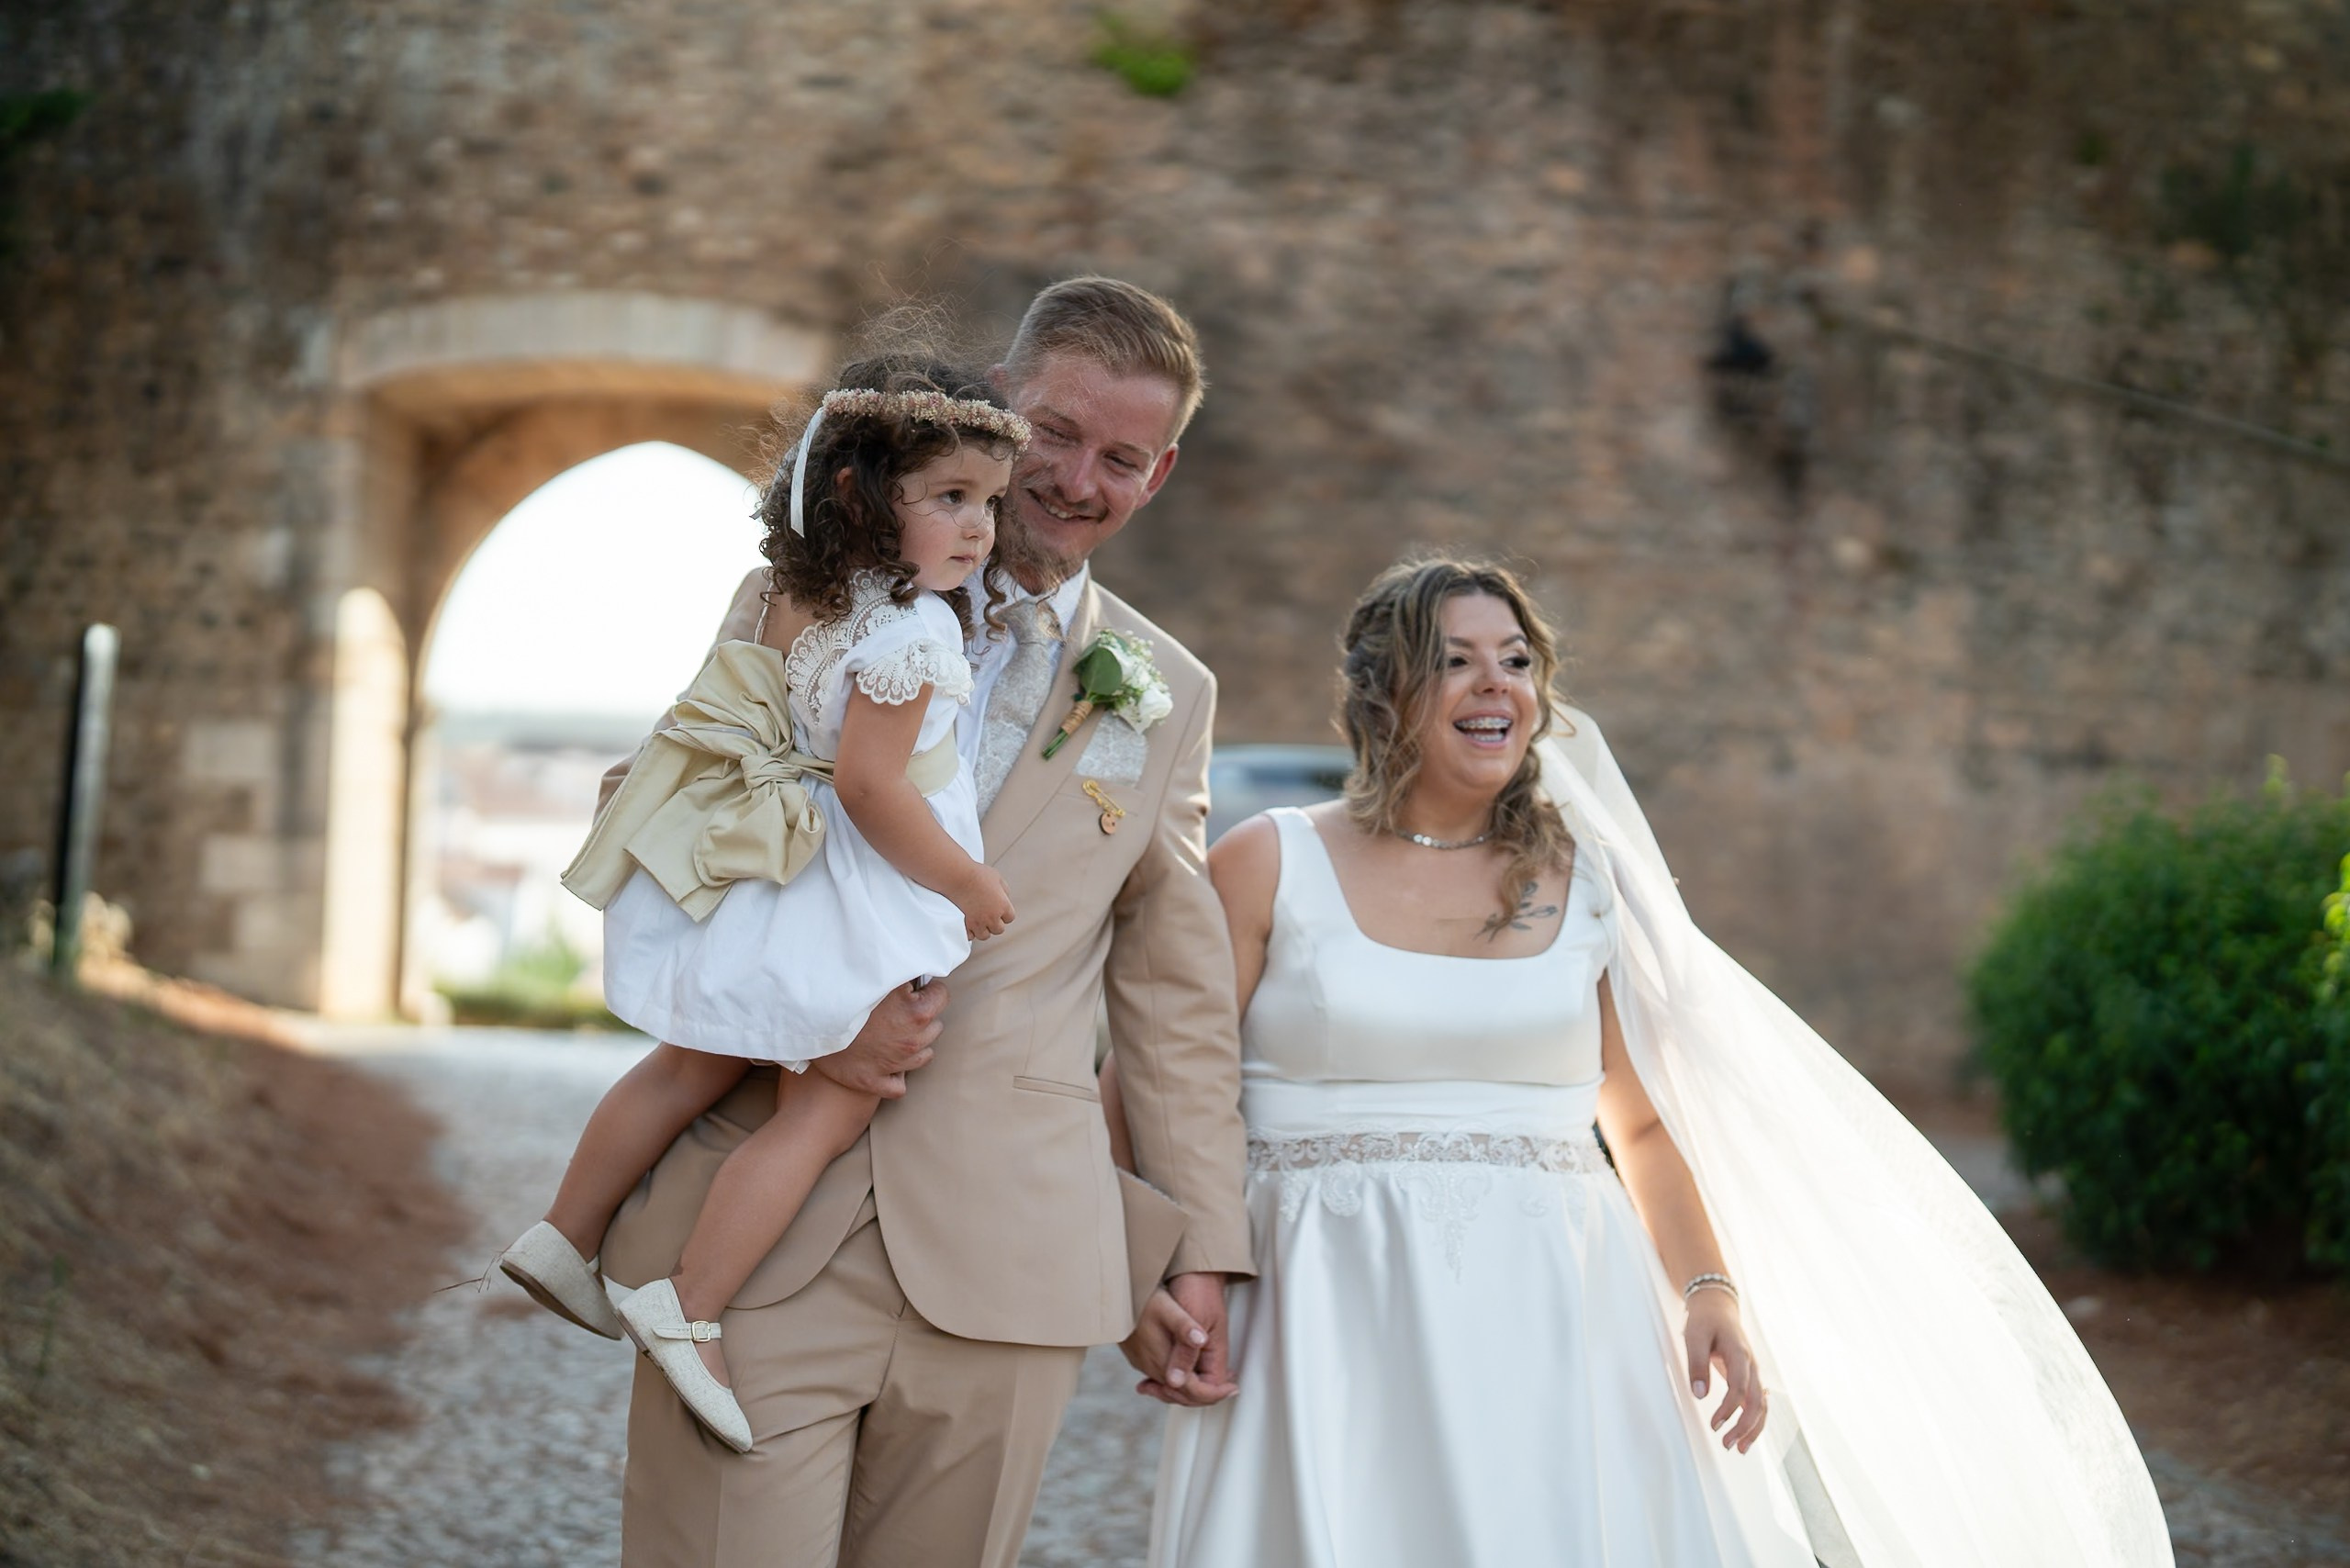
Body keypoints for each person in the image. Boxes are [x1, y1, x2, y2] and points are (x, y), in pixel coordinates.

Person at [1130, 556, 2175, 1568]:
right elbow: (1156, 1083)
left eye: (1516, 660)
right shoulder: (1268, 861)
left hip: (1557, 1304)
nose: (1495, 684)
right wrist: (1162, 1272)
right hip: (1317, 1297)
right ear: (1381, 690)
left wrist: (1711, 1292)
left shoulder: (1589, 881)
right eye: (1454, 660)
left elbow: (1637, 1122)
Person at [591, 278, 1253, 1568]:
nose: (1076, 480)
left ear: (1159, 473)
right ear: (998, 407)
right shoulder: (806, 598)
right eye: (1054, 433)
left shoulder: (1167, 694)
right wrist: (802, 1017)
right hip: (756, 1241)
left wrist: (1202, 1247)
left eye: (1121, 459)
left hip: (1008, 1263)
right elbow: (656, 815)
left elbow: (1175, 1001)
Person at [500, 356, 1029, 1451]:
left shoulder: (789, 596)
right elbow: (873, 788)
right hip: (847, 889)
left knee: (685, 1065)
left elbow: (736, 712)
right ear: (859, 493)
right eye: (950, 497)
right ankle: (688, 1307)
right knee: (825, 1107)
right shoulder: (914, 633)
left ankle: (562, 1231)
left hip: (769, 867)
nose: (980, 528)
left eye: (989, 500)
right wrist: (967, 882)